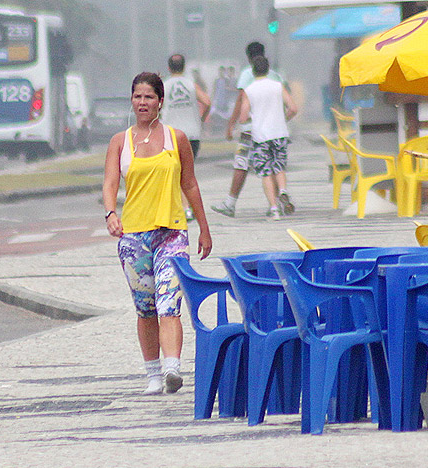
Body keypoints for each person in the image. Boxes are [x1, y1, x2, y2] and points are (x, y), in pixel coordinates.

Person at [102, 72, 212, 395]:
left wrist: (204, 228)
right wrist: (111, 213)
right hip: (134, 238)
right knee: (145, 307)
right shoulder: (120, 142)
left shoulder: (176, 139)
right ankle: (152, 374)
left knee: (169, 302)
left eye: (149, 97)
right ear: (132, 101)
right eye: (137, 97)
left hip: (172, 234)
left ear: (161, 102)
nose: (143, 103)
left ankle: (172, 369)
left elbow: (189, 183)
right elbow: (109, 183)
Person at [211, 41, 292, 218]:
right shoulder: (275, 75)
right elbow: (288, 102)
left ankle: (231, 203)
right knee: (276, 165)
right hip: (277, 129)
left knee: (242, 164)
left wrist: (231, 124)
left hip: (252, 130)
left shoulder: (248, 73)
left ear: (248, 57)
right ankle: (279, 200)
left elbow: (241, 100)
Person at [239, 56, 298, 220]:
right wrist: (283, 118)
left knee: (266, 172)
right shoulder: (278, 86)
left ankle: (273, 208)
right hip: (279, 132)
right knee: (279, 167)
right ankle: (283, 191)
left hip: (260, 136)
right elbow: (293, 108)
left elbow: (243, 117)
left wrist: (254, 118)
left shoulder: (249, 90)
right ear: (268, 68)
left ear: (253, 70)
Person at [161, 54, 211, 221]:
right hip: (192, 134)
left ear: (169, 68)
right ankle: (189, 207)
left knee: (176, 173)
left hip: (171, 134)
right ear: (184, 67)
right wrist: (201, 119)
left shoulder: (164, 86)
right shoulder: (191, 85)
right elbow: (207, 102)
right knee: (187, 173)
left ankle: (186, 208)